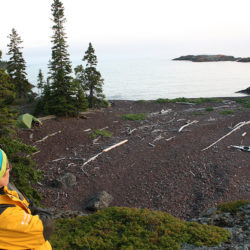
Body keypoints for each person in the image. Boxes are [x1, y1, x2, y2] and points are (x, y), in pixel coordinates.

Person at [0, 149, 54, 250]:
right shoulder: (5, 216)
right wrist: (36, 210)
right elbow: (45, 227)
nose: (10, 171)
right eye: (7, 168)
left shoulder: (4, 188)